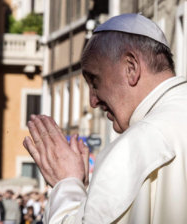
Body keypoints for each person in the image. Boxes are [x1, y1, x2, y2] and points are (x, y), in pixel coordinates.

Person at [23, 13, 187, 223]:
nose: (93, 101)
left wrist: (66, 184)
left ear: (131, 67)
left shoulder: (136, 146)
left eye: (94, 80)